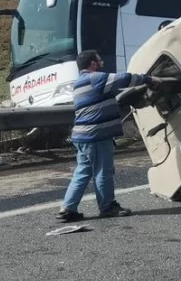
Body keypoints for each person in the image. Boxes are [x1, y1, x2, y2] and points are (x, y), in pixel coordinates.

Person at [56, 50, 162, 222]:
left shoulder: (79, 83)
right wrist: (148, 79)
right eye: (100, 61)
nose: (102, 64)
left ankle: (68, 208)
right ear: (92, 64)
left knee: (82, 172)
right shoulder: (95, 78)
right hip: (96, 136)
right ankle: (107, 207)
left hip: (82, 137)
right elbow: (123, 79)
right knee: (103, 171)